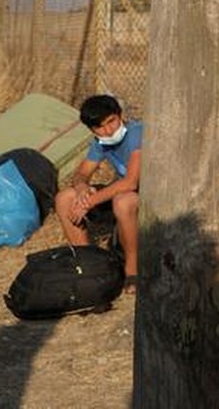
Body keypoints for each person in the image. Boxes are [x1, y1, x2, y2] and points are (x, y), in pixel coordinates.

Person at [54, 94, 141, 292]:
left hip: (145, 196)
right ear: (92, 130)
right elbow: (81, 173)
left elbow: (130, 182)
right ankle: (89, 268)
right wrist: (82, 187)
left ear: (120, 115)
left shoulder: (137, 133)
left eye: (112, 121)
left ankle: (132, 271)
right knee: (65, 198)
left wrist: (88, 202)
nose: (108, 130)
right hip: (120, 193)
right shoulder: (100, 142)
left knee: (123, 201)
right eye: (100, 127)